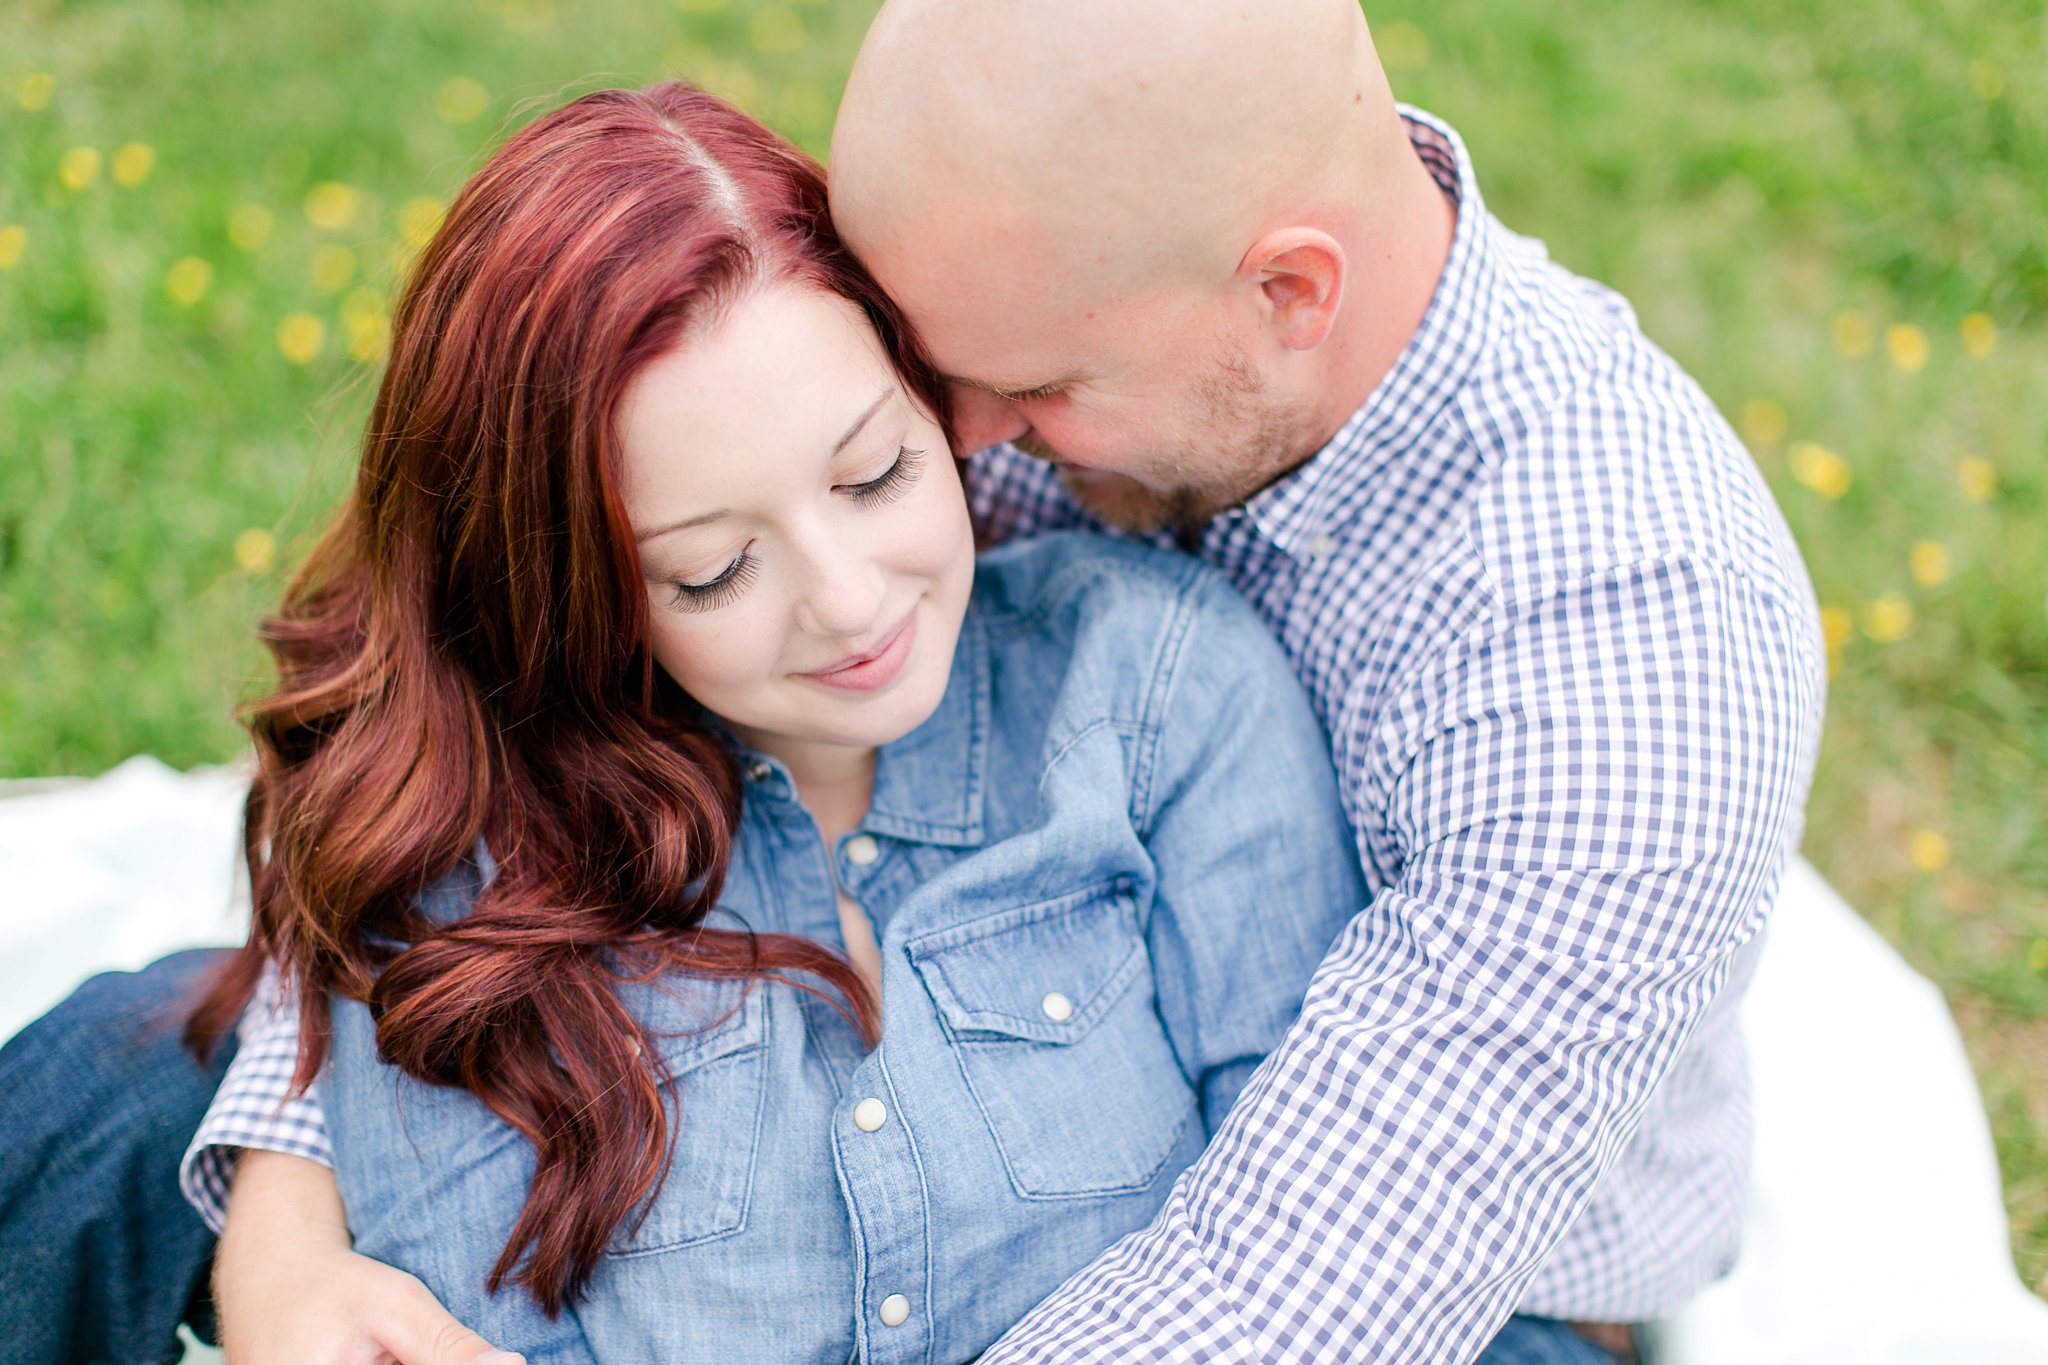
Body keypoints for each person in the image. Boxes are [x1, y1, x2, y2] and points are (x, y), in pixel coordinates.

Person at [165, 78, 1368, 1364]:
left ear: (940, 404)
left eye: (874, 473)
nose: (851, 604)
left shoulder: (1157, 685)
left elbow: (1323, 1229)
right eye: (712, 571)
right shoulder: (463, 882)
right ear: (580, 594)